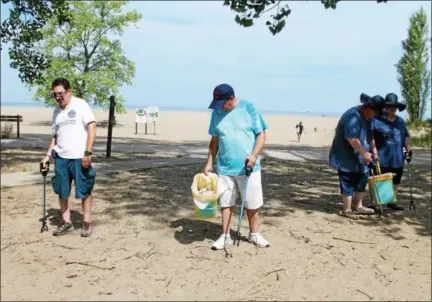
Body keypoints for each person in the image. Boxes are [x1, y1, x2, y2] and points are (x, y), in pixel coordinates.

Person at [202, 83, 270, 250]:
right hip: (225, 167)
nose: (220, 108)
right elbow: (214, 141)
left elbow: (261, 135)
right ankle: (225, 236)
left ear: (231, 98)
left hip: (248, 167)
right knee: (226, 203)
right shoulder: (217, 113)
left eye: (223, 104)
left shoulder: (248, 108)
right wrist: (209, 162)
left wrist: (253, 156)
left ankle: (254, 235)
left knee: (252, 204)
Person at [40, 77, 97, 237]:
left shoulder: (80, 104)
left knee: (85, 190)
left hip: (80, 157)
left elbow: (92, 127)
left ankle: (86, 223)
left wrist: (88, 151)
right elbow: (55, 136)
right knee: (62, 191)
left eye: (60, 93)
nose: (58, 97)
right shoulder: (56, 112)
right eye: (54, 95)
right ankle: (67, 222)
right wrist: (47, 156)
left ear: (69, 92)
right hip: (61, 158)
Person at [328, 93, 384, 218]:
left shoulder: (368, 118)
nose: (375, 115)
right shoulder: (352, 116)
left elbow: (370, 137)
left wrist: (374, 152)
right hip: (346, 156)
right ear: (369, 108)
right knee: (347, 181)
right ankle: (347, 209)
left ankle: (359, 206)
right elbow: (351, 138)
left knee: (361, 180)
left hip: (362, 158)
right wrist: (364, 152)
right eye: (375, 112)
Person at [370, 93, 412, 211]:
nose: (391, 109)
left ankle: (392, 202)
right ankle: (376, 203)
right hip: (381, 157)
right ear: (385, 107)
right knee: (378, 180)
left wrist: (408, 148)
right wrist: (374, 152)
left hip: (397, 158)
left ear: (397, 108)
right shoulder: (376, 121)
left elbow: (406, 136)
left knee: (396, 181)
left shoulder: (400, 122)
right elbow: (370, 137)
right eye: (389, 107)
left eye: (394, 107)